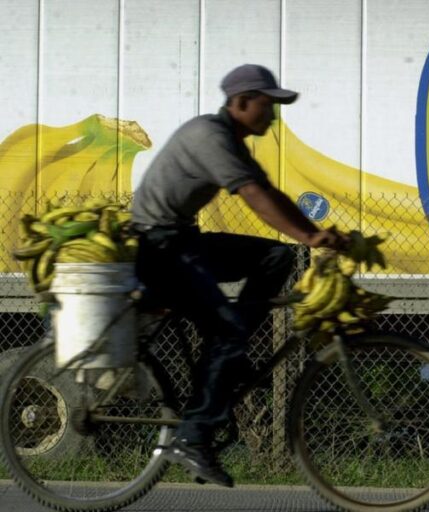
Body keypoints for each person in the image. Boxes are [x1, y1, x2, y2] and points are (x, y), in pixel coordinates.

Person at [131, 64, 346, 487]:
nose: (272, 115)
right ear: (242, 102)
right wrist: (310, 234)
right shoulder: (209, 136)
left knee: (276, 257)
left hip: (183, 241)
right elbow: (252, 196)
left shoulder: (231, 141)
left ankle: (231, 356)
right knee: (227, 334)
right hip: (158, 248)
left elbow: (270, 192)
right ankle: (192, 436)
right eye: (267, 106)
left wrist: (311, 235)